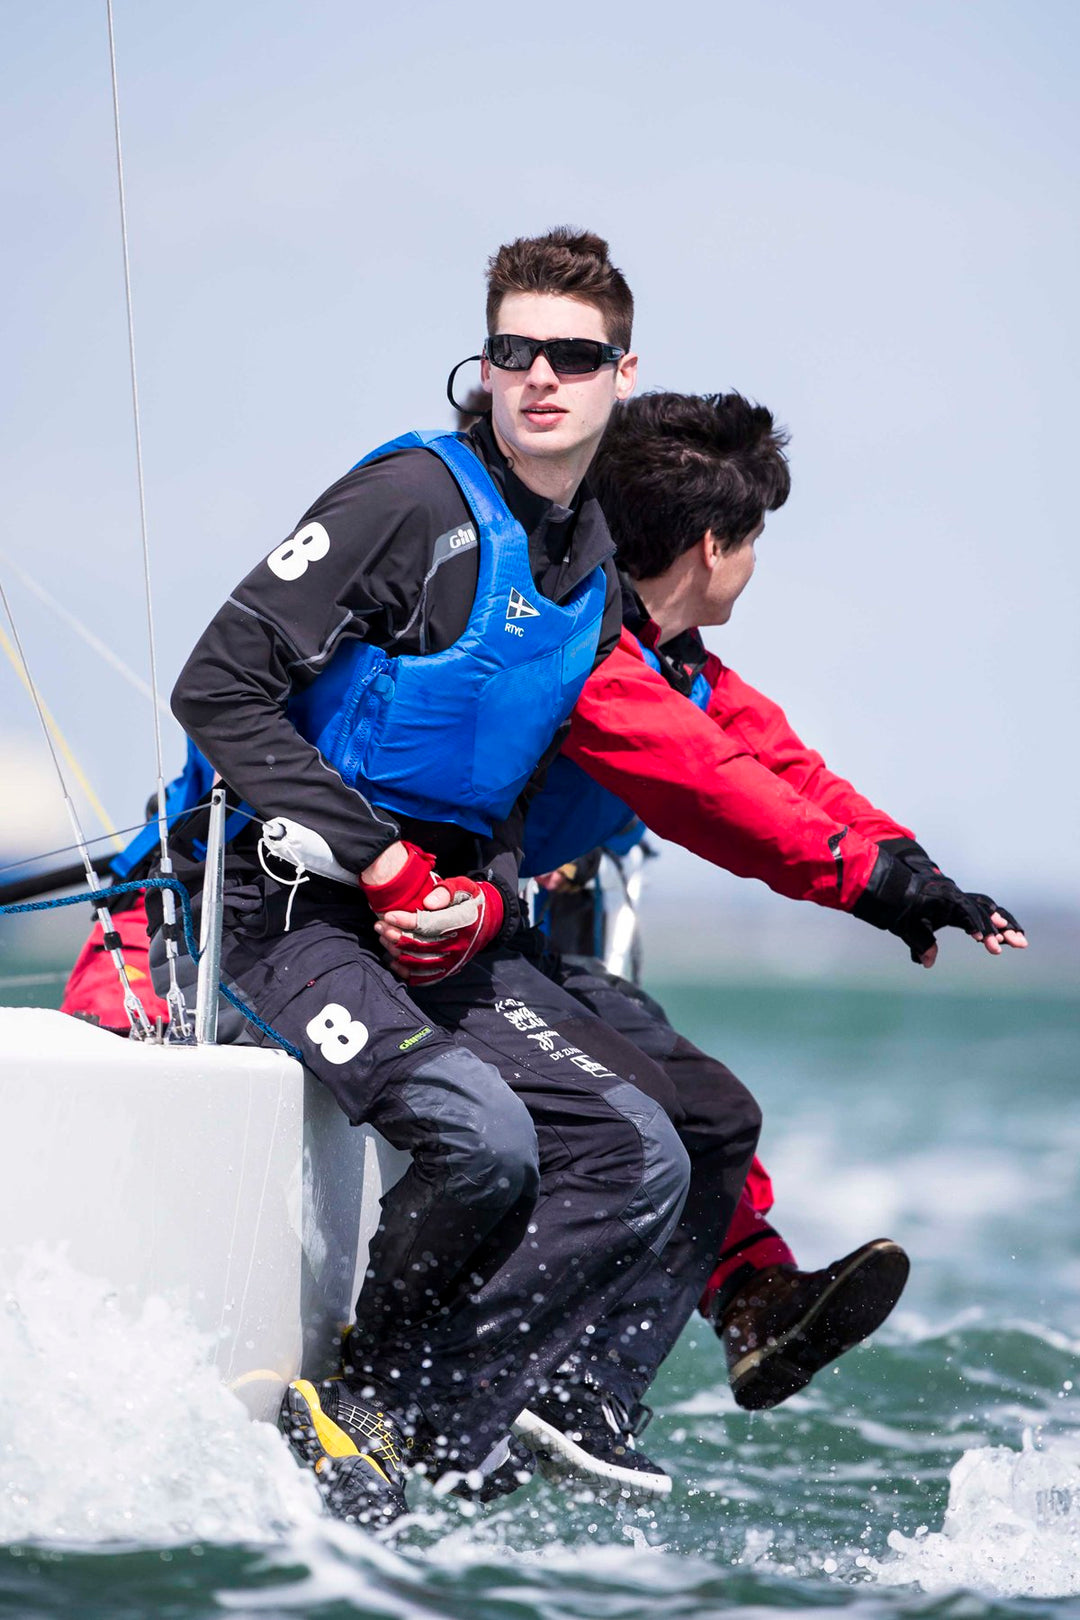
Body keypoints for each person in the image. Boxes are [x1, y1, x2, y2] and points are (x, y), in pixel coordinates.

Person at [161, 233, 763, 1523]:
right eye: (514, 351)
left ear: (621, 373)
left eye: (574, 355)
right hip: (291, 910)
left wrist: (486, 890)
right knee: (482, 1140)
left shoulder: (592, 552)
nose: (541, 376)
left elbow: (524, 774)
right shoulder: (408, 505)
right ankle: (371, 1405)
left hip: (438, 923)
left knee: (643, 1148)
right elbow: (217, 683)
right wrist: (379, 860)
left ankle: (453, 1425)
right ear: (484, 363)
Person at [490, 389, 1025, 1468]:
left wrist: (918, 877)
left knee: (714, 1115)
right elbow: (719, 796)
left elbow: (784, 771)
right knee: (655, 1112)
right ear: (711, 546)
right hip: (414, 928)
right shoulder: (587, 653)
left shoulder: (678, 658)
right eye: (752, 542)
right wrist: (876, 889)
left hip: (508, 931)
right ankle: (555, 1376)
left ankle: (741, 1310)